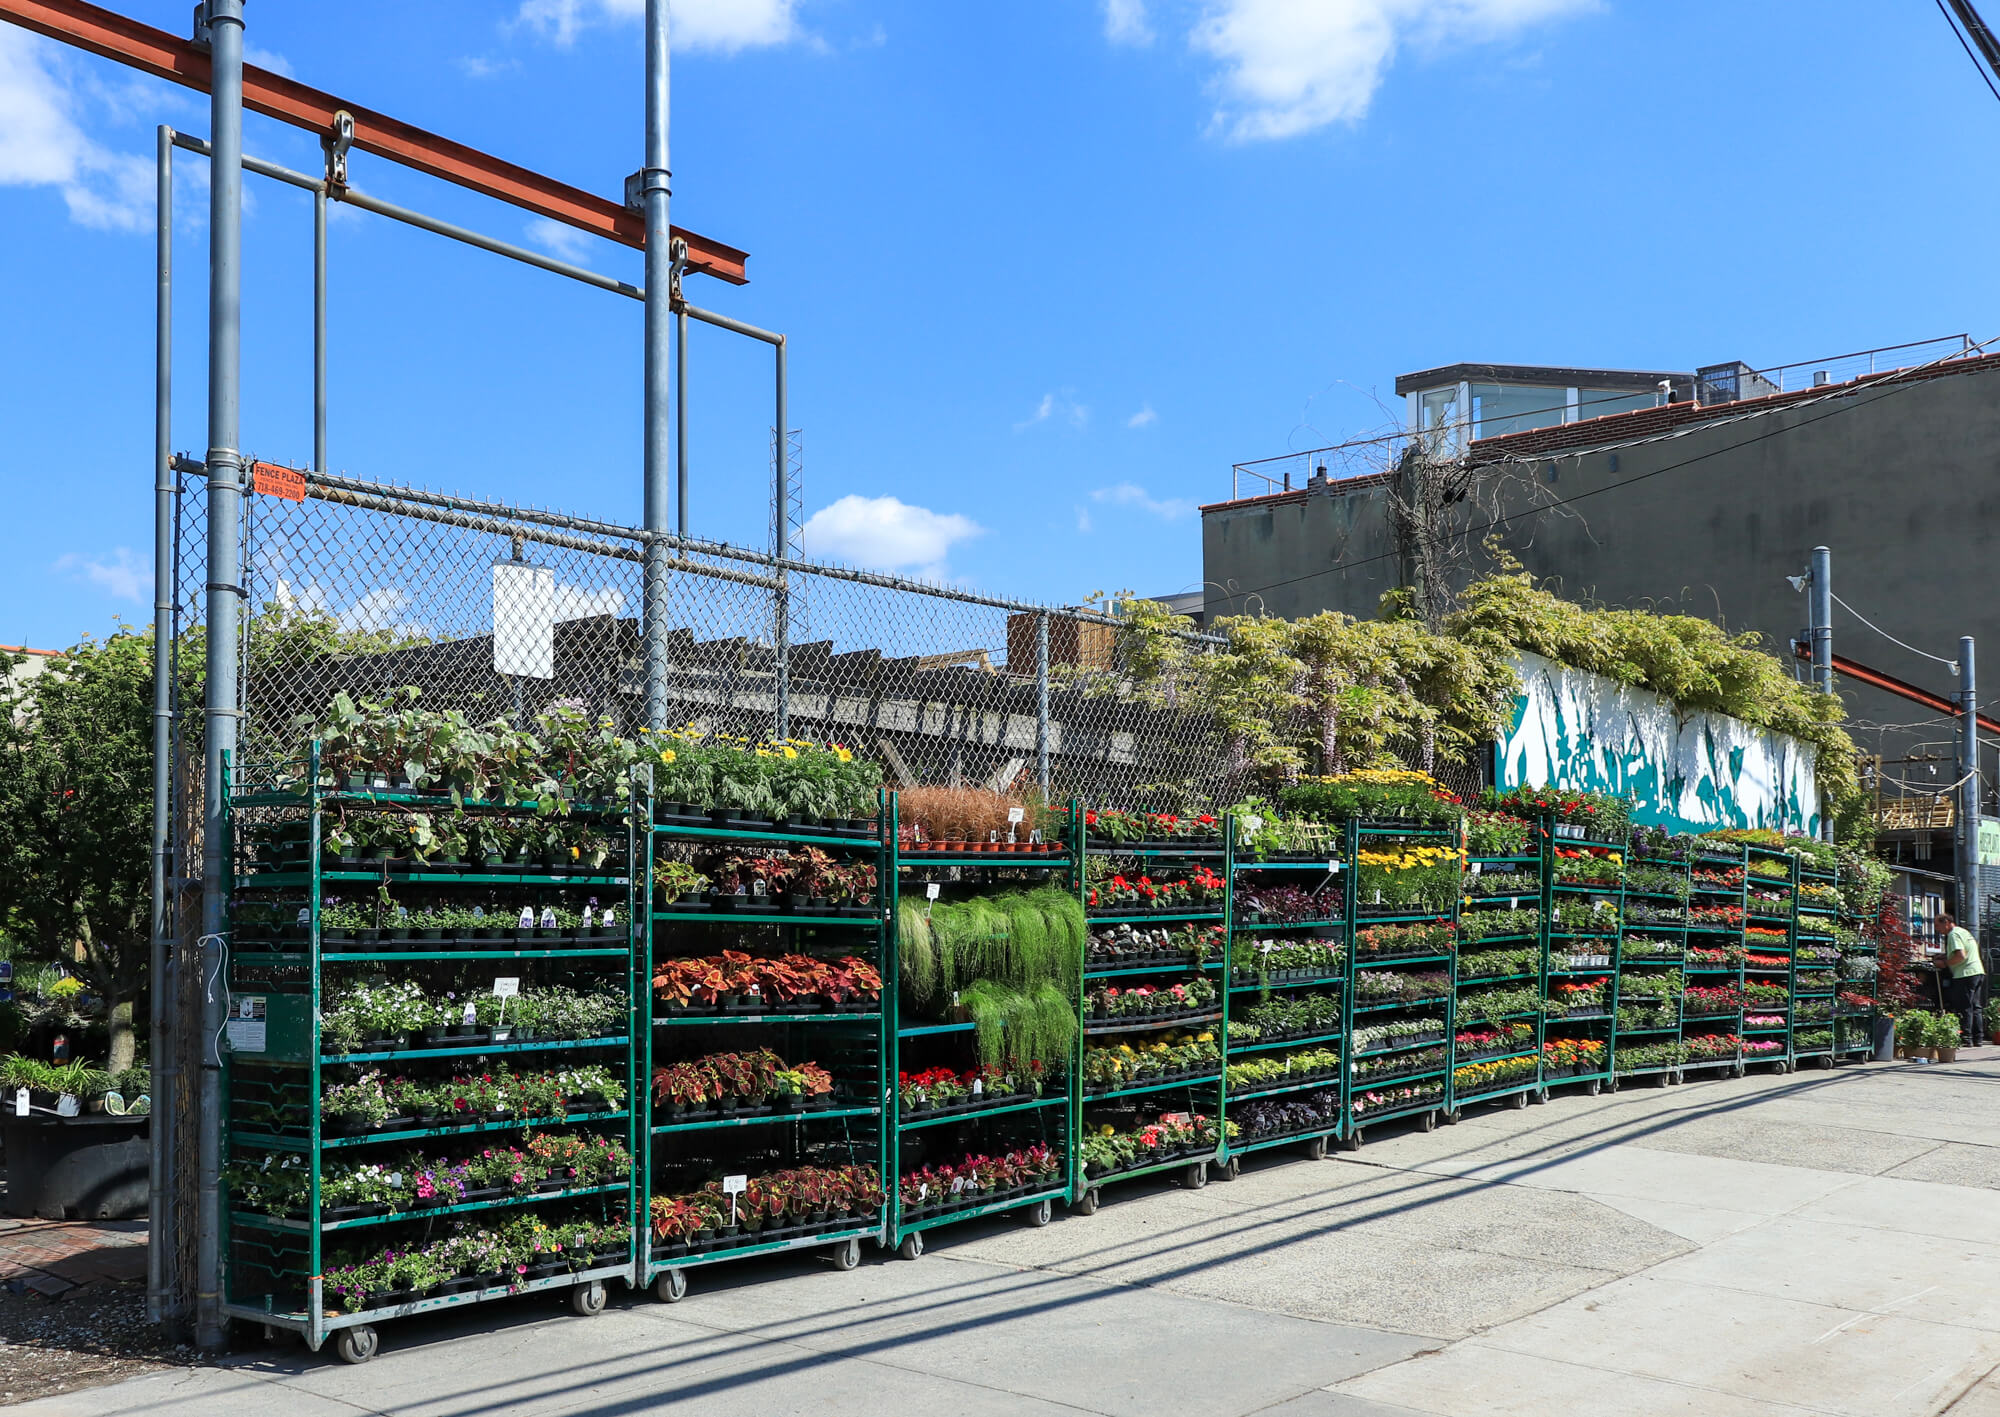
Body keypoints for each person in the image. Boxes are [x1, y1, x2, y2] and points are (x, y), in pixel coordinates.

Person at [1941, 910, 1987, 1047]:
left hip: (1965, 974)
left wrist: (1944, 963)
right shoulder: (1964, 932)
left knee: (1965, 1006)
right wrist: (1945, 956)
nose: (1937, 930)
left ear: (1947, 923)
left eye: (1938, 926)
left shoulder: (1953, 934)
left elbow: (1960, 955)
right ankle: (1978, 1038)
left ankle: (1966, 1038)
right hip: (1978, 971)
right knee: (1976, 1007)